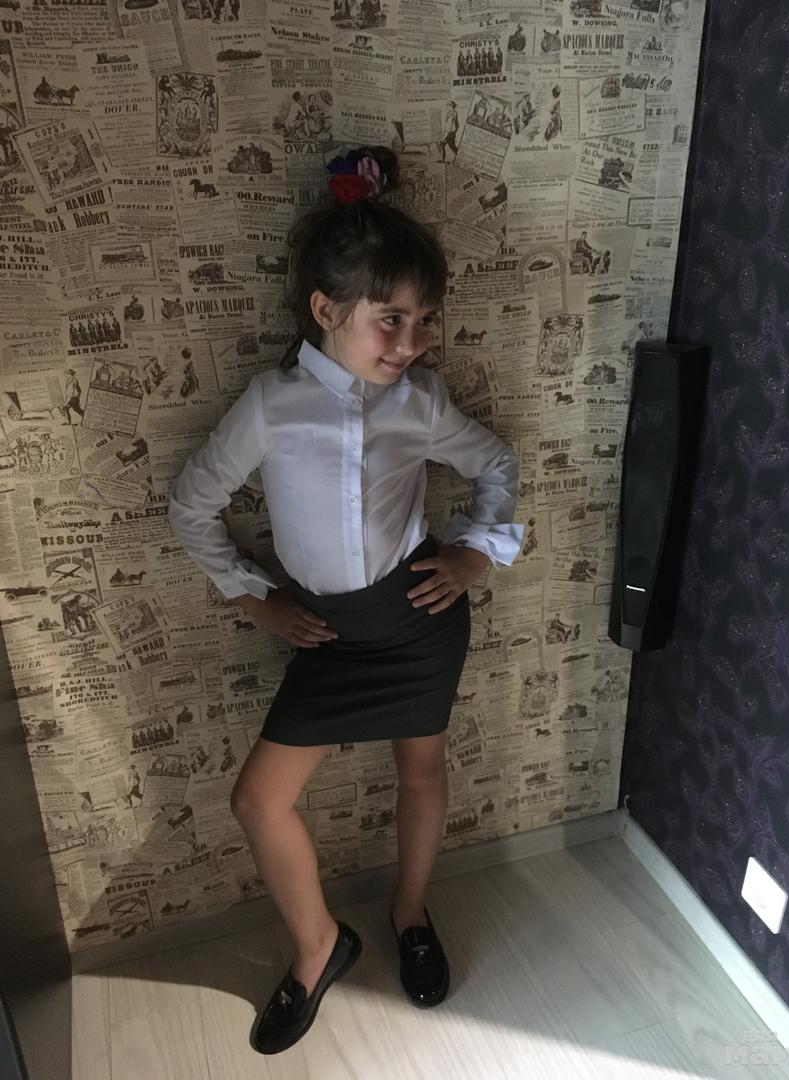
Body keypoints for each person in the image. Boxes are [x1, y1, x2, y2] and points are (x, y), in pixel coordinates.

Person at [168, 144, 524, 1056]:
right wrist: (253, 599)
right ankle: (319, 945)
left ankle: (410, 912)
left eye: (424, 321)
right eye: (389, 319)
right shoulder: (271, 404)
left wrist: (475, 553)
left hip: (418, 620)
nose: (410, 343)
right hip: (328, 635)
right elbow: (193, 504)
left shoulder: (420, 402)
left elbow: (495, 463)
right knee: (259, 801)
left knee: (421, 772)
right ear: (327, 311)